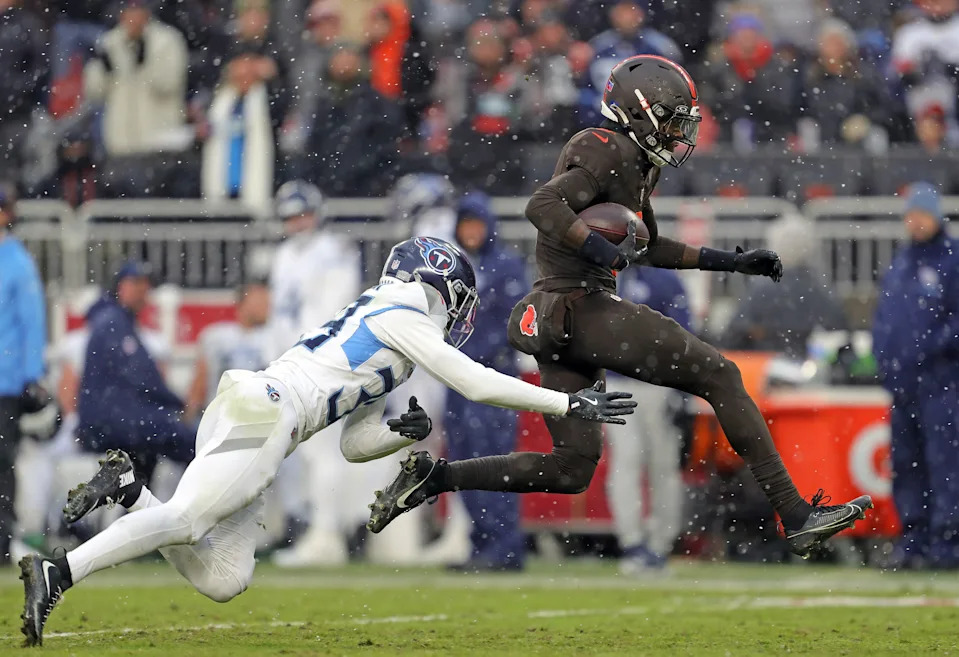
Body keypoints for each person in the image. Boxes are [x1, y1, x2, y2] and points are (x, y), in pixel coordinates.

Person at [367, 56, 872, 558]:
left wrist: (732, 262)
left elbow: (648, 245)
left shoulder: (633, 160)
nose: (679, 132)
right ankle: (795, 513)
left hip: (556, 314)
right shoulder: (604, 146)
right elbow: (542, 206)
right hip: (578, 303)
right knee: (719, 375)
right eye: (672, 119)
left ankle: (435, 477)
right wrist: (596, 247)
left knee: (570, 469)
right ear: (639, 111)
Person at [19, 236, 635, 645]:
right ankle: (60, 571)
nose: (460, 312)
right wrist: (566, 401)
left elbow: (354, 443)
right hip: (266, 413)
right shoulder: (404, 312)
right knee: (186, 520)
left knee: (224, 578)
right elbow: (472, 382)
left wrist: (402, 434)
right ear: (440, 284)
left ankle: (130, 491)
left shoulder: (393, 329)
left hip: (256, 414)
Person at [873, 182, 959, 570]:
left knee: (945, 464)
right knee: (906, 465)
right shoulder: (902, 262)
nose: (915, 222)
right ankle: (914, 542)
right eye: (910, 214)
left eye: (921, 214)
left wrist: (932, 350)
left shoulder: (952, 260)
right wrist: (883, 357)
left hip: (942, 384)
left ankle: (947, 544)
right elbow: (887, 320)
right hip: (903, 385)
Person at [446, 191, 529, 572]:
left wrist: (477, 351)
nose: (471, 232)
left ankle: (505, 544)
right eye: (466, 225)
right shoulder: (455, 269)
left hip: (492, 377)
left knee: (495, 460)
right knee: (464, 459)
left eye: (477, 224)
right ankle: (481, 540)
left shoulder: (507, 267)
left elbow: (515, 323)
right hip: (458, 377)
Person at [606, 265, 690, 574]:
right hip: (617, 380)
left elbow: (683, 331)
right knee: (627, 459)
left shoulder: (664, 279)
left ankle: (660, 543)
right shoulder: (604, 275)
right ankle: (632, 541)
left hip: (658, 381)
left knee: (662, 463)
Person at [76, 262, 193, 478]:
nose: (143, 291)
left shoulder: (116, 320)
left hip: (118, 419)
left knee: (146, 458)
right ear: (120, 286)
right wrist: (177, 403)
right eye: (136, 283)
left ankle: (133, 508)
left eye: (146, 285)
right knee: (191, 442)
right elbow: (143, 378)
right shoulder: (112, 322)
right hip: (112, 421)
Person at [83, 0, 189, 196]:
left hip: (158, 144)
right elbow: (94, 91)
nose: (132, 18)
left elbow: (169, 84)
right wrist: (103, 68)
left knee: (155, 208)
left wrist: (142, 57)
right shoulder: (110, 41)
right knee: (122, 209)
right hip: (120, 143)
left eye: (137, 11)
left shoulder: (167, 40)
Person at [723, 213, 848, 360]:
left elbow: (733, 336)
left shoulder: (761, 289)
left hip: (767, 367)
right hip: (812, 368)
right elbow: (840, 335)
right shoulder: (820, 288)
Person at [0, 183, 47, 562]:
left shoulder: (17, 263)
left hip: (5, 380)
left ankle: (1, 540)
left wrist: (32, 374)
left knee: (1, 460)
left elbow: (32, 323)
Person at [202, 44, 285, 214]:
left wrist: (273, 80)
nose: (244, 77)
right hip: (223, 183)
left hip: (256, 184)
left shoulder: (266, 100)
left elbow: (282, 110)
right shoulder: (218, 101)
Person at [185, 282, 275, 418]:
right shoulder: (215, 335)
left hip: (259, 417)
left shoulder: (275, 338)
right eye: (259, 301)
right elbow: (201, 378)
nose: (265, 306)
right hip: (220, 415)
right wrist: (189, 414)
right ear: (242, 303)